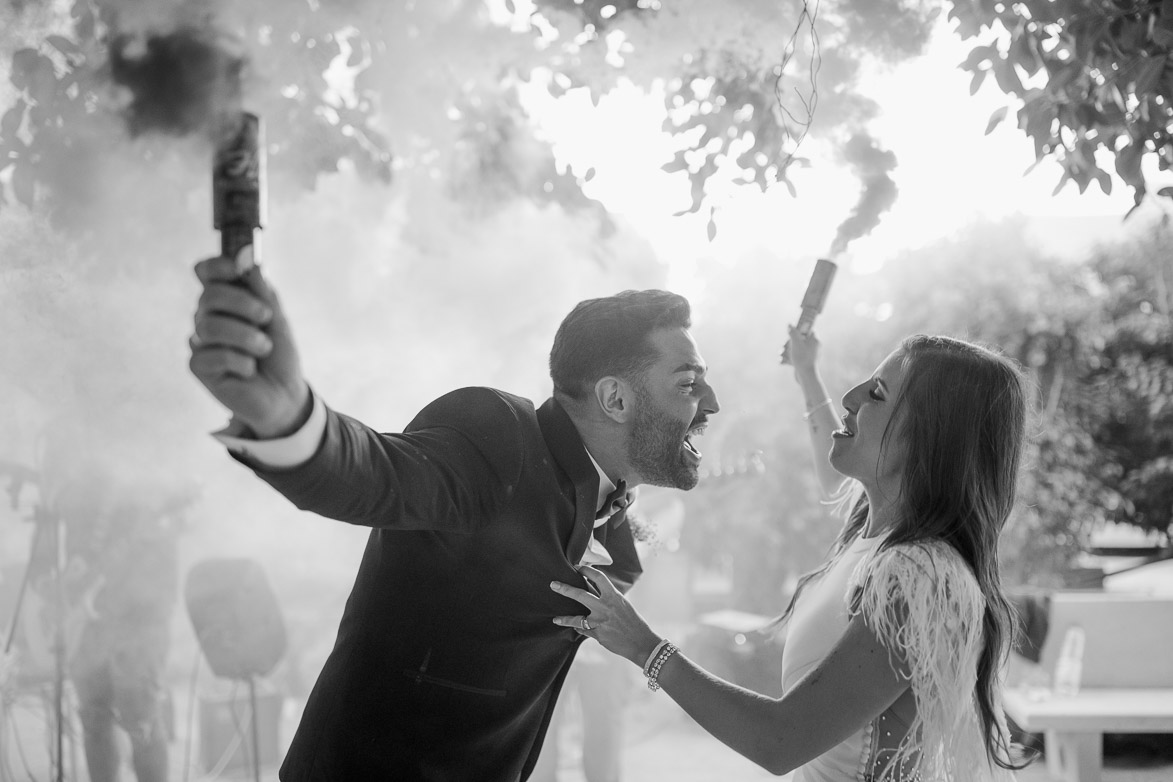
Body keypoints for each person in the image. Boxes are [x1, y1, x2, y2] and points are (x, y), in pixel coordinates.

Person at [187, 257, 720, 780]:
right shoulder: (497, 438)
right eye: (687, 383)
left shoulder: (608, 498)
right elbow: (376, 474)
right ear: (615, 399)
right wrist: (289, 417)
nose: (711, 404)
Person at [552, 327, 1030, 781]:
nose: (851, 397)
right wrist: (807, 371)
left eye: (877, 394)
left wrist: (642, 645)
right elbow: (833, 461)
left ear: (930, 438)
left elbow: (781, 740)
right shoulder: (874, 533)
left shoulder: (919, 576)